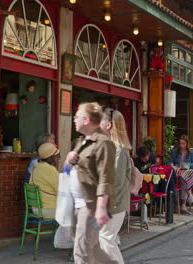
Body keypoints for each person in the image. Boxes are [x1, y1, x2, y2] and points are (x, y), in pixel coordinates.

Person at [66, 102, 116, 263]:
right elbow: (69, 171)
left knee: (82, 252)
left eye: (77, 116)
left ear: (86, 120)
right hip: (78, 203)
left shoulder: (103, 143)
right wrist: (68, 160)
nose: (74, 119)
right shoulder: (81, 142)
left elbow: (106, 177)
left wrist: (101, 208)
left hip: (91, 206)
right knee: (91, 246)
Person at [98, 108, 131, 264]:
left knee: (105, 239)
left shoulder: (119, 151)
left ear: (109, 125)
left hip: (114, 203)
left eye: (102, 120)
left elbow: (115, 182)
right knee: (104, 240)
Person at [29, 143, 60, 218]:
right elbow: (60, 191)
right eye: (57, 156)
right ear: (53, 157)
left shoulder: (37, 167)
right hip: (49, 210)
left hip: (36, 209)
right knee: (74, 212)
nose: (58, 158)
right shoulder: (50, 170)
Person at [169, 135, 193, 213]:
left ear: (187, 144)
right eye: (180, 143)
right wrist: (171, 164)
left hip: (187, 172)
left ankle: (184, 203)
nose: (181, 145)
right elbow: (170, 161)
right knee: (184, 177)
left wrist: (186, 165)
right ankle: (188, 198)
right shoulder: (175, 151)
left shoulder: (192, 153)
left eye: (183, 143)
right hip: (177, 172)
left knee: (184, 177)